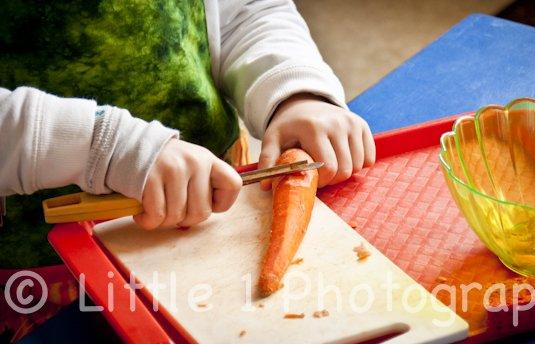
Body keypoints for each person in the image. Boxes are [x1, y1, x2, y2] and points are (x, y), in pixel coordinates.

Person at [0, 0, 375, 232]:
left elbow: (245, 11)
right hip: (39, 268)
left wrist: (295, 91)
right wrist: (103, 148)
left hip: (217, 190)